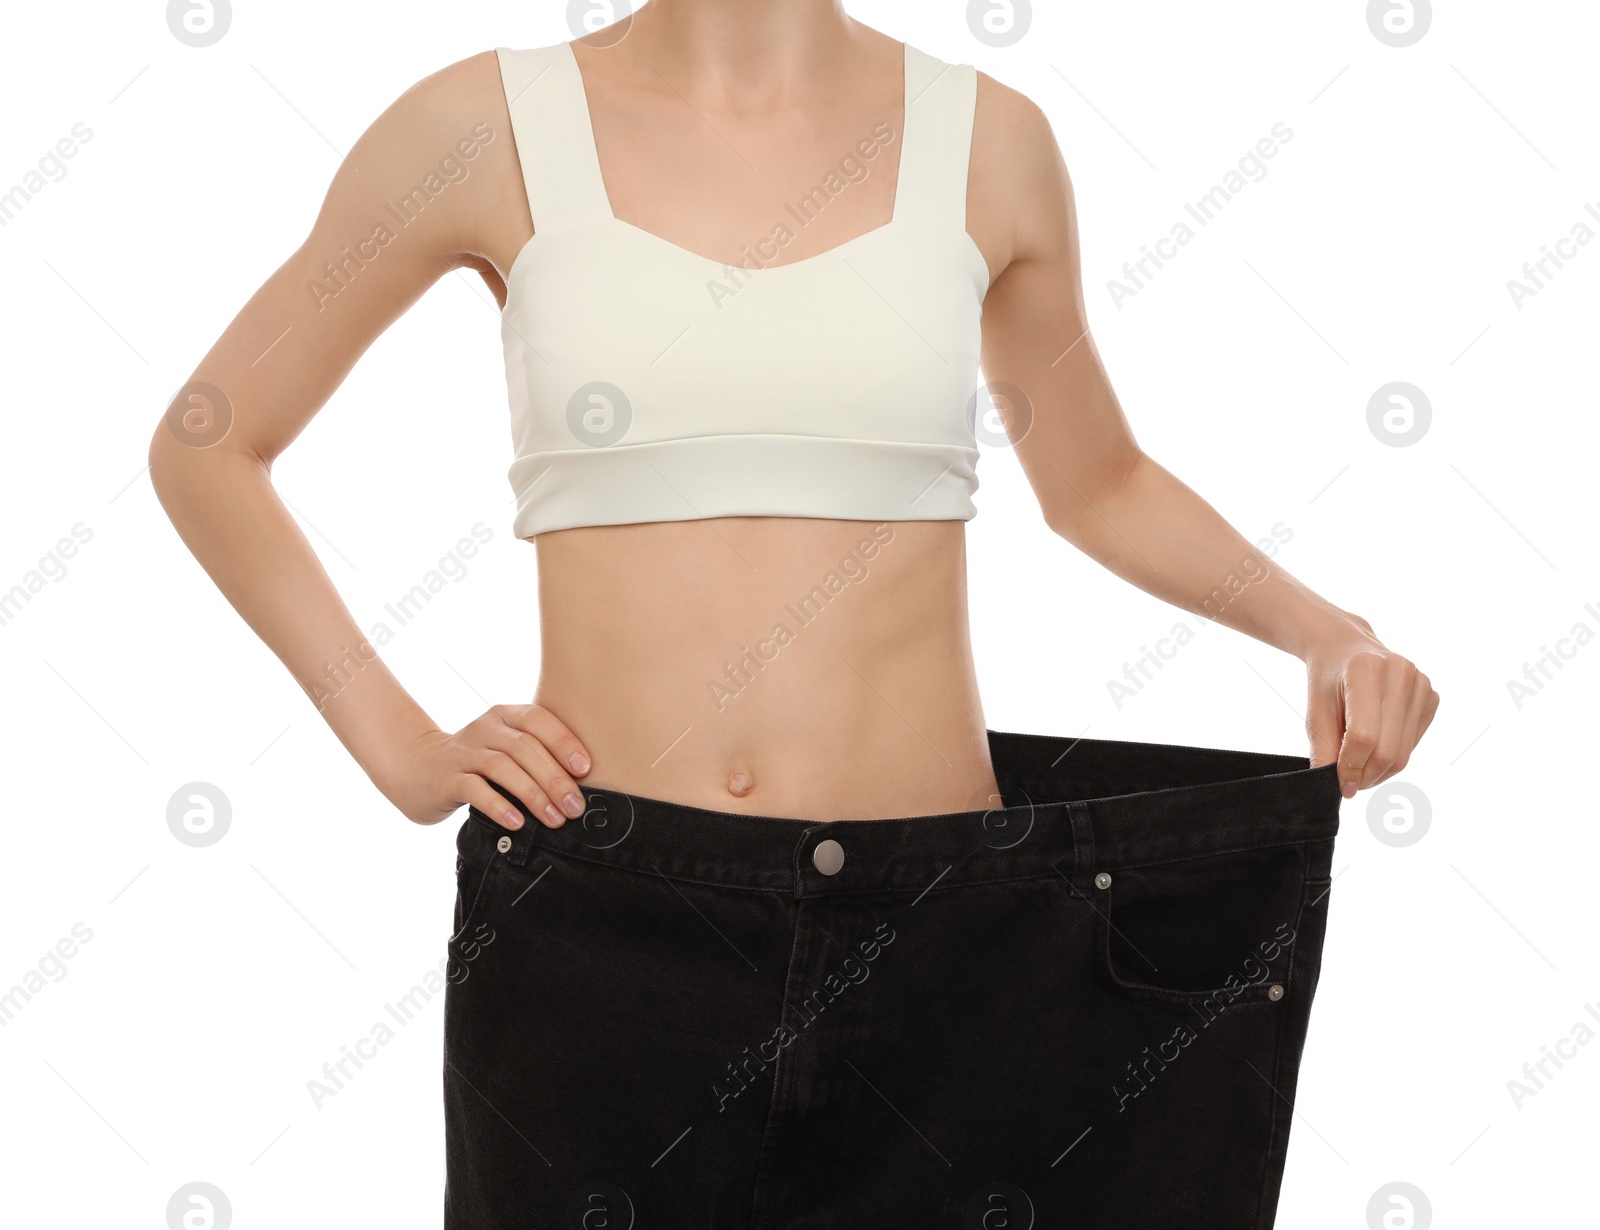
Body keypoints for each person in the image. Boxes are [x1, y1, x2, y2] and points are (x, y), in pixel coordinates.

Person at [149, 3, 1437, 1226]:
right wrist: (398, 744)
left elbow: (1098, 481)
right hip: (604, 938)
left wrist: (1330, 631)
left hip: (950, 937)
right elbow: (210, 445)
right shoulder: (480, 129)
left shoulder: (988, 141)